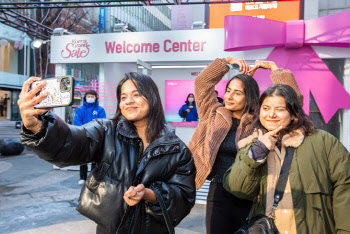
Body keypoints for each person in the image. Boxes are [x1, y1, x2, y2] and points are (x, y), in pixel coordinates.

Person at [19, 73, 196, 234]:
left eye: (136, 94)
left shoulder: (177, 149)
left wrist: (151, 195)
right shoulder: (105, 131)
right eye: (123, 97)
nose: (128, 101)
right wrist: (36, 125)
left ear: (152, 98)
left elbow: (185, 197)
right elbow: (71, 142)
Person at [188, 58, 303, 233]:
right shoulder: (212, 112)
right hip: (219, 190)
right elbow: (202, 82)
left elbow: (294, 102)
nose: (229, 96)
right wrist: (226, 62)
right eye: (228, 90)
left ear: (248, 96)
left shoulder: (260, 121)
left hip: (252, 192)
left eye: (237, 93)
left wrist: (275, 69)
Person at [223, 84, 350, 233]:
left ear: (294, 113)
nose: (271, 114)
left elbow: (345, 186)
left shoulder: (323, 141)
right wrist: (256, 153)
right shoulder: (252, 145)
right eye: (266, 108)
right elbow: (236, 188)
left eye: (280, 109)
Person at [74, 90, 106, 186]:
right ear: (85, 97)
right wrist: (85, 131)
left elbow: (102, 122)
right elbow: (77, 122)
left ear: (96, 98)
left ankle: (93, 177)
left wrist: (93, 131)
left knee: (95, 158)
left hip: (96, 137)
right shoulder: (79, 110)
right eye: (88, 96)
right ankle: (82, 177)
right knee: (83, 158)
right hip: (83, 136)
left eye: (92, 96)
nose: (90, 98)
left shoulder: (100, 110)